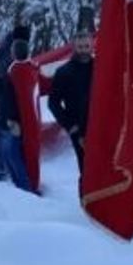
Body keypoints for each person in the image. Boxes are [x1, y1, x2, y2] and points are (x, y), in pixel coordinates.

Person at [47, 29, 94, 179]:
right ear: (74, 47)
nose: (84, 50)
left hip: (101, 127)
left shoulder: (100, 68)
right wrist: (70, 126)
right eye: (80, 47)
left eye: (87, 46)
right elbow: (53, 102)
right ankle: (86, 202)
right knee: (86, 170)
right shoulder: (63, 72)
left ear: (92, 45)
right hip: (79, 130)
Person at [0, 39, 34, 192]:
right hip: (7, 119)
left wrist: (12, 120)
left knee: (12, 155)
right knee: (9, 155)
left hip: (11, 121)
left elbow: (12, 98)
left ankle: (24, 188)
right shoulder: (19, 70)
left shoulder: (17, 71)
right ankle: (19, 186)